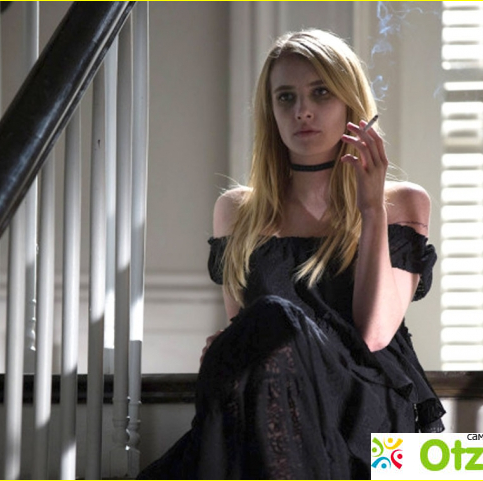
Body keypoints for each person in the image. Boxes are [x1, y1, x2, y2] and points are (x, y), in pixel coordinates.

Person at [139, 28, 445, 480]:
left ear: (349, 103)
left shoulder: (402, 203)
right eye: (286, 97)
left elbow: (375, 334)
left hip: (362, 405)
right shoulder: (236, 211)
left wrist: (370, 210)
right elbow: (244, 336)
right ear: (271, 112)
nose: (302, 110)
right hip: (276, 405)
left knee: (273, 317)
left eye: (321, 93)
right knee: (262, 334)